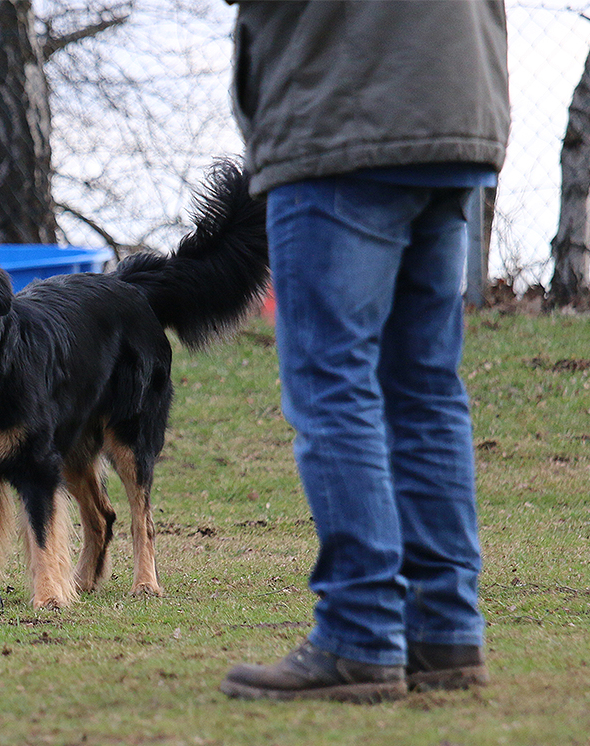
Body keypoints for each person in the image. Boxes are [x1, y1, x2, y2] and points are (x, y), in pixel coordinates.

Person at [219, 1, 509, 702]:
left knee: (333, 385)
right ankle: (443, 631)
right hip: (453, 103)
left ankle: (360, 634)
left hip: (342, 108)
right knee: (425, 390)